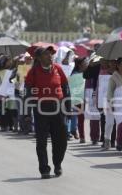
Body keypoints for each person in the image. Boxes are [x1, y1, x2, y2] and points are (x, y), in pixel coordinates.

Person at [24, 46, 71, 179]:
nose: (50, 56)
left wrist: (68, 107)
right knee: (42, 141)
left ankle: (57, 164)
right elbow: (28, 94)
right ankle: (44, 169)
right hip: (41, 109)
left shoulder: (58, 69)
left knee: (61, 140)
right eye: (46, 54)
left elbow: (66, 89)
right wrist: (27, 113)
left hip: (58, 108)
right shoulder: (33, 72)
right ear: (38, 58)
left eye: (50, 53)